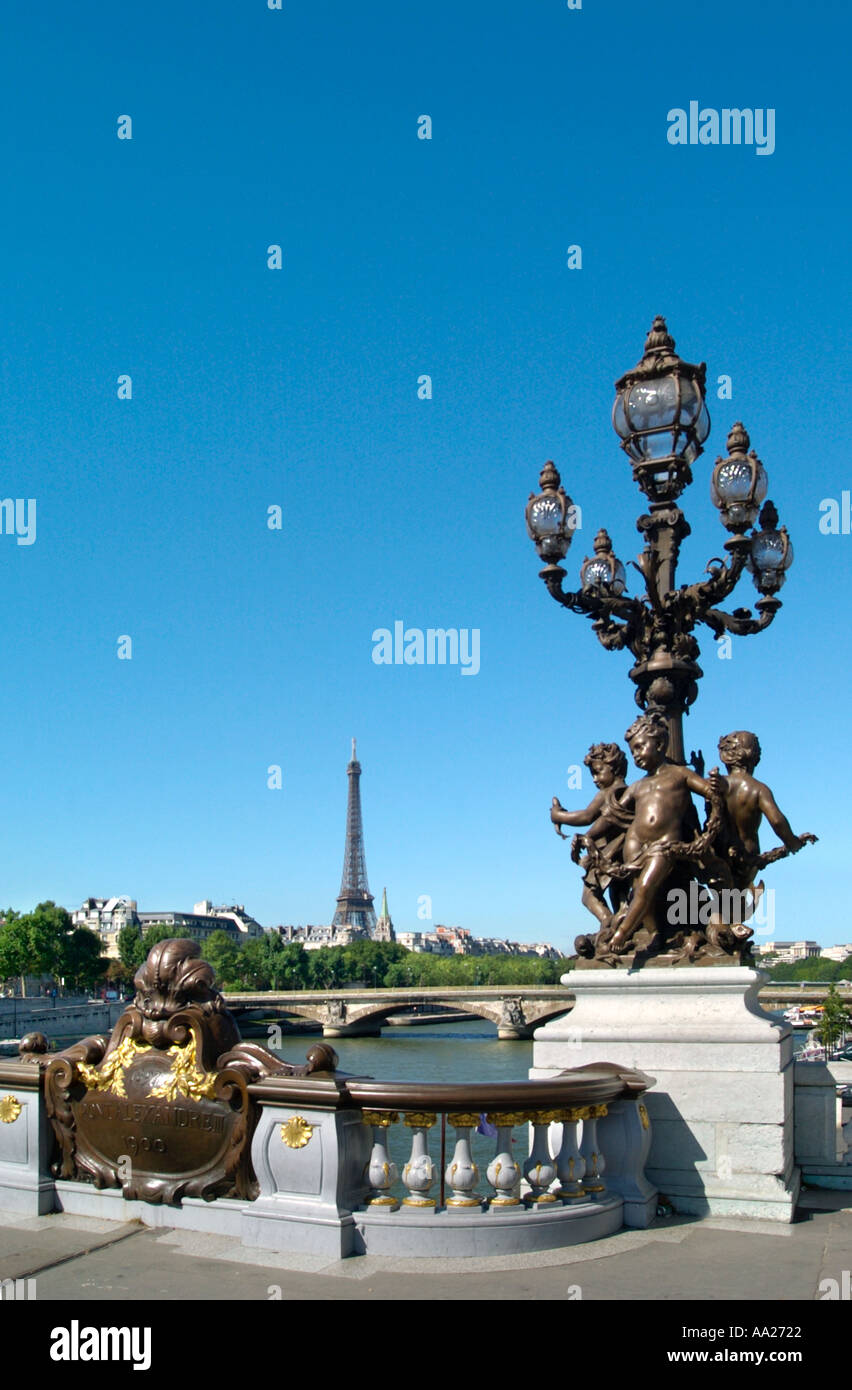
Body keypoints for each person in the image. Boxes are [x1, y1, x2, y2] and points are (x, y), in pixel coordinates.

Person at [551, 743, 630, 929]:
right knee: (618, 894)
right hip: (621, 852)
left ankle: (609, 924)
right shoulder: (624, 791)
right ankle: (621, 924)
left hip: (610, 854)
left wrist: (558, 816)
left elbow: (587, 816)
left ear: (615, 768)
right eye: (592, 774)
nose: (595, 779)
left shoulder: (610, 792)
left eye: (598, 772)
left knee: (589, 895)